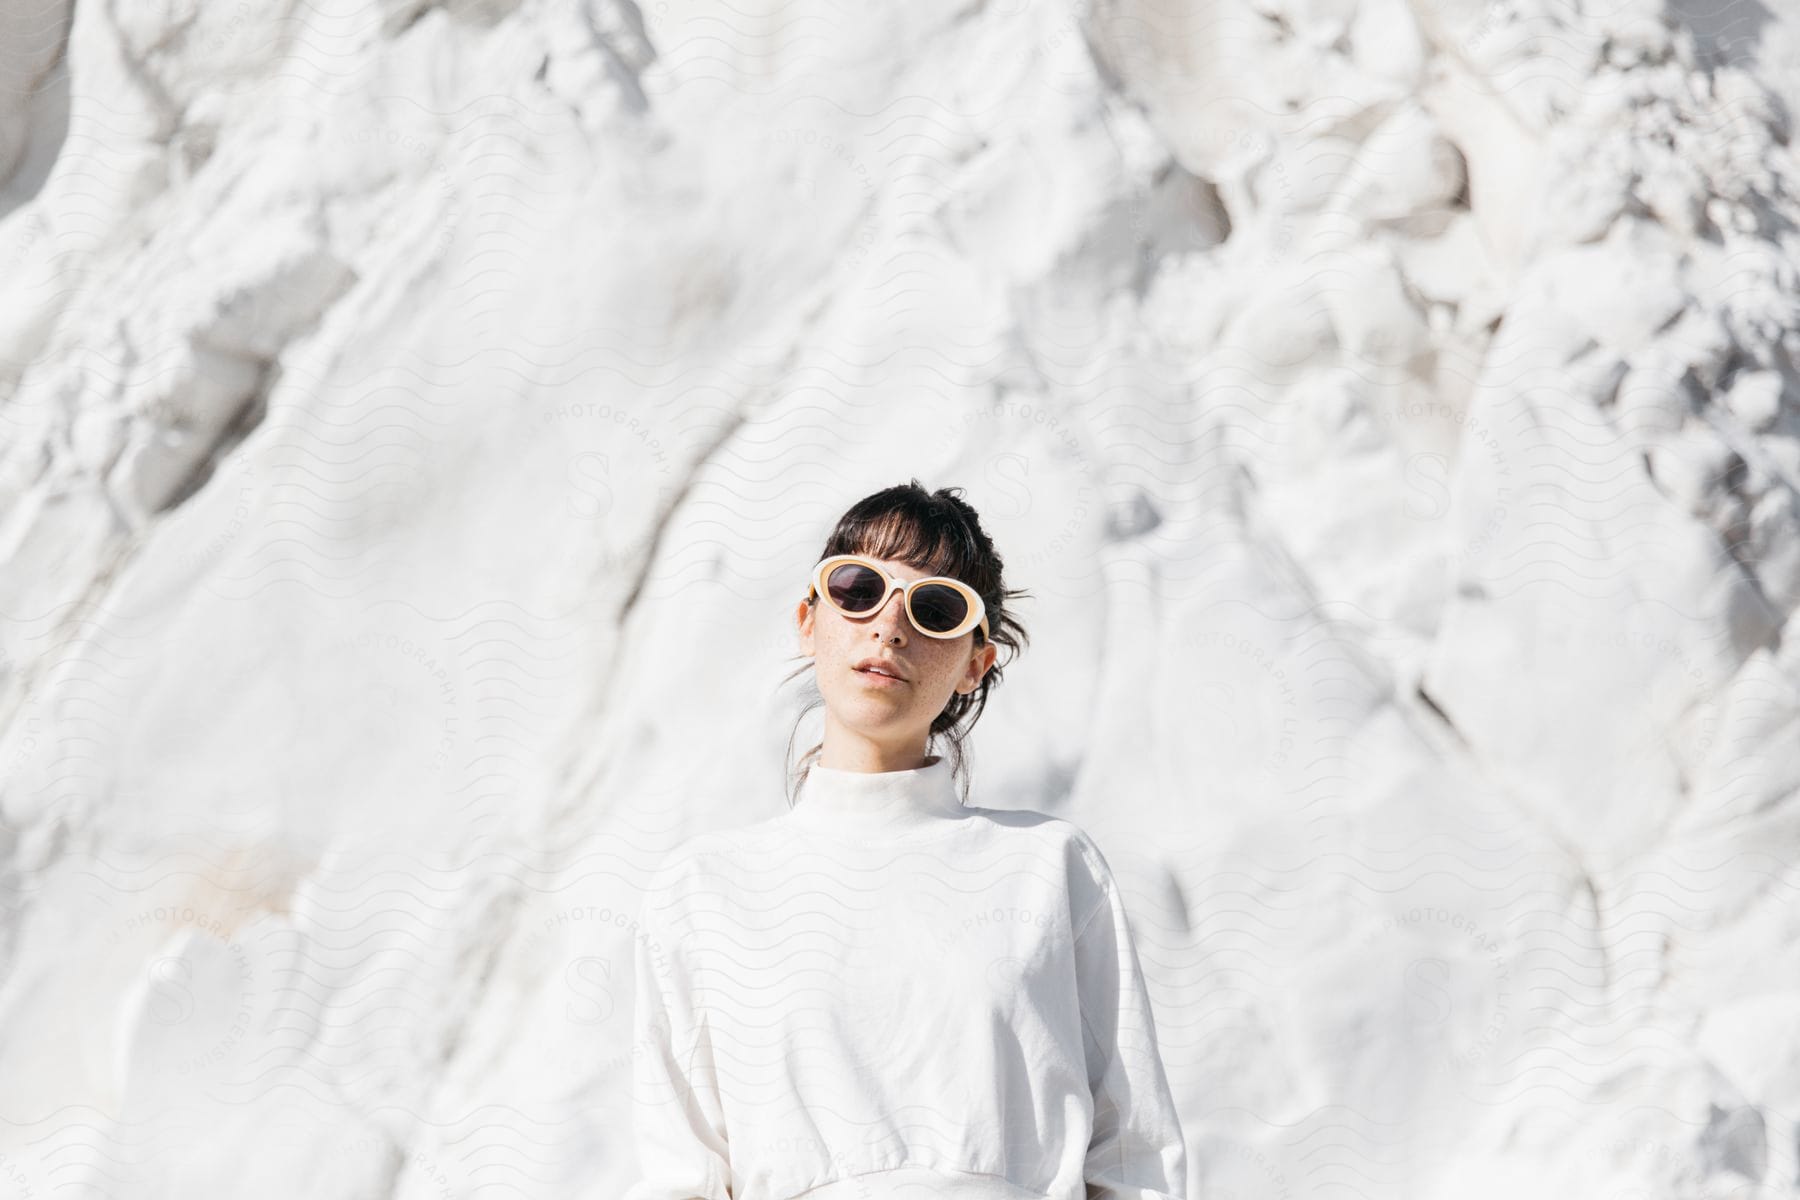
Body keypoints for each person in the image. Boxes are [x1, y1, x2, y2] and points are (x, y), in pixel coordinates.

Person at [623, 480, 1188, 1200]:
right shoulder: (705, 889)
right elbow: (684, 1177)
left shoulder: (1049, 869)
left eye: (936, 608)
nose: (889, 627)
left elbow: (1134, 1159)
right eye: (859, 589)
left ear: (974, 664)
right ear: (809, 619)